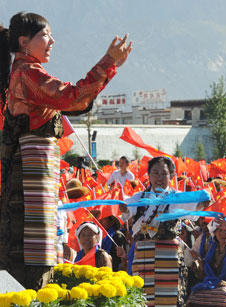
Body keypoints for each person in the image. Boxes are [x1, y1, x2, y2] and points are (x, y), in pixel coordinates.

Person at [0, 12, 131, 288]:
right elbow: (71, 97)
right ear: (24, 42)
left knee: (38, 248)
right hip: (31, 179)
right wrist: (108, 63)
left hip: (36, 177)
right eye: (45, 35)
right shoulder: (28, 73)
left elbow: (76, 100)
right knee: (32, 256)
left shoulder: (25, 72)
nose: (52, 41)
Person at [120, 156, 197, 306]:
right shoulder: (139, 198)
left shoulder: (176, 198)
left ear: (172, 176)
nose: (159, 178)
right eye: (155, 173)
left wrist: (202, 203)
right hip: (143, 256)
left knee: (168, 299)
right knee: (142, 298)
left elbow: (195, 207)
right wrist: (123, 208)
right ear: (148, 175)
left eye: (164, 174)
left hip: (169, 257)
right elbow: (126, 209)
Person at [186, 218, 226, 307]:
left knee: (224, 296)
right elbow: (207, 272)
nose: (223, 234)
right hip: (216, 283)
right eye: (220, 230)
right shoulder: (212, 248)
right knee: (194, 296)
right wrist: (199, 264)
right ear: (214, 232)